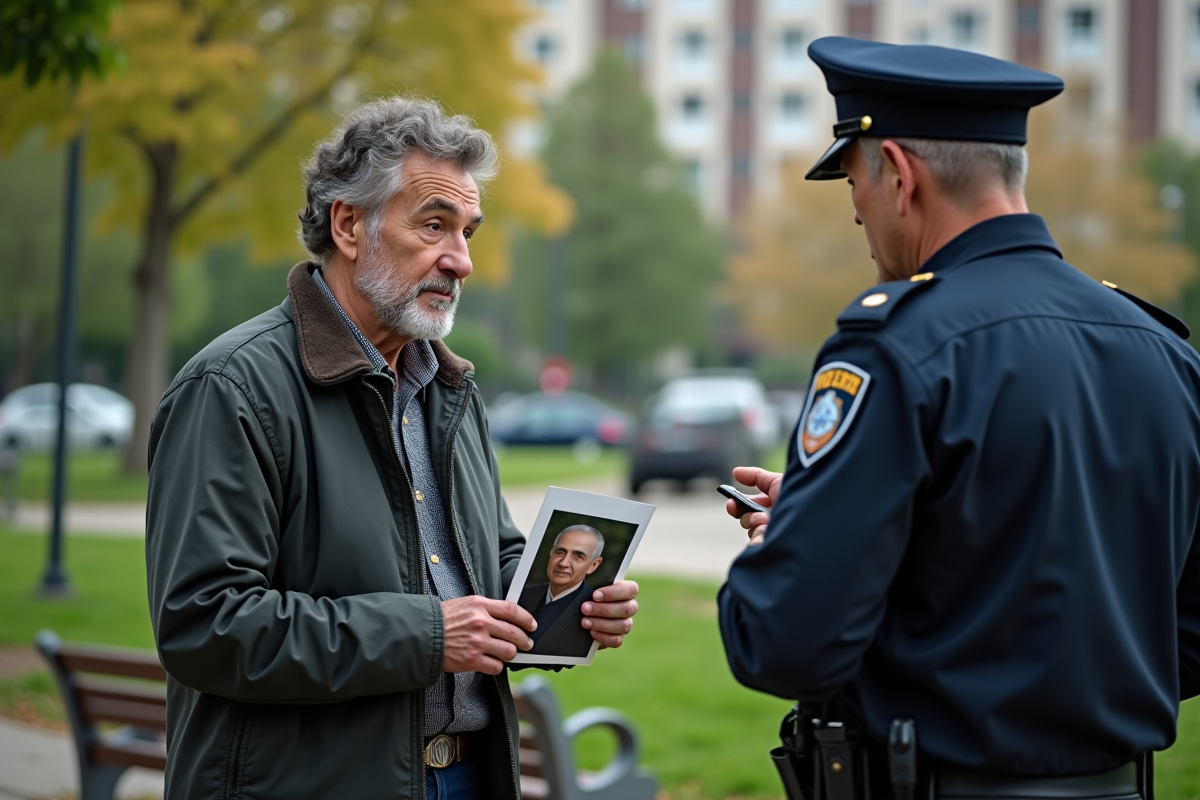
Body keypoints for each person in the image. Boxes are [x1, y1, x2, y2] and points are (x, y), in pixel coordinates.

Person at [717, 36, 1200, 800]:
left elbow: (785, 644)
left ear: (899, 174)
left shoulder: (895, 347)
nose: (857, 217)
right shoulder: (1161, 348)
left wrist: (787, 546)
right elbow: (1184, 628)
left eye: (854, 184)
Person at [144, 97, 640, 800]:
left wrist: (562, 600)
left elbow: (482, 568)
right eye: (434, 225)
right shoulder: (233, 387)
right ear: (349, 225)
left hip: (466, 777)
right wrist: (429, 636)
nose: (461, 260)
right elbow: (206, 624)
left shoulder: (450, 388)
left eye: (467, 232)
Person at [518, 525, 607, 658]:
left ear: (593, 565)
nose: (563, 563)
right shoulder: (525, 595)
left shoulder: (593, 614)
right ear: (551, 553)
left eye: (578, 556)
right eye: (559, 552)